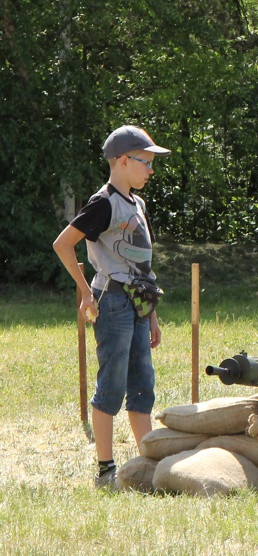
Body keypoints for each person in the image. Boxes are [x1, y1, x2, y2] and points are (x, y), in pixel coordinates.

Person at [53, 125, 170, 488]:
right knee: (112, 387)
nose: (150, 170)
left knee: (142, 386)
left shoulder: (139, 204)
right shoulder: (104, 203)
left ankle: (147, 465)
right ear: (122, 161)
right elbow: (63, 244)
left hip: (138, 305)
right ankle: (106, 470)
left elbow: (143, 268)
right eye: (145, 162)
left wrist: (152, 316)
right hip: (113, 302)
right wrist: (86, 292)